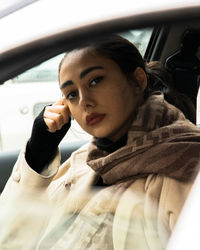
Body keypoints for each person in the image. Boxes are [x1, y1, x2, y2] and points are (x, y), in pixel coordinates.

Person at [0, 34, 200, 250]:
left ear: (138, 80)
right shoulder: (87, 159)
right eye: (71, 94)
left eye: (95, 81)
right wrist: (37, 153)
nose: (84, 101)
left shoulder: (183, 168)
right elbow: (9, 239)